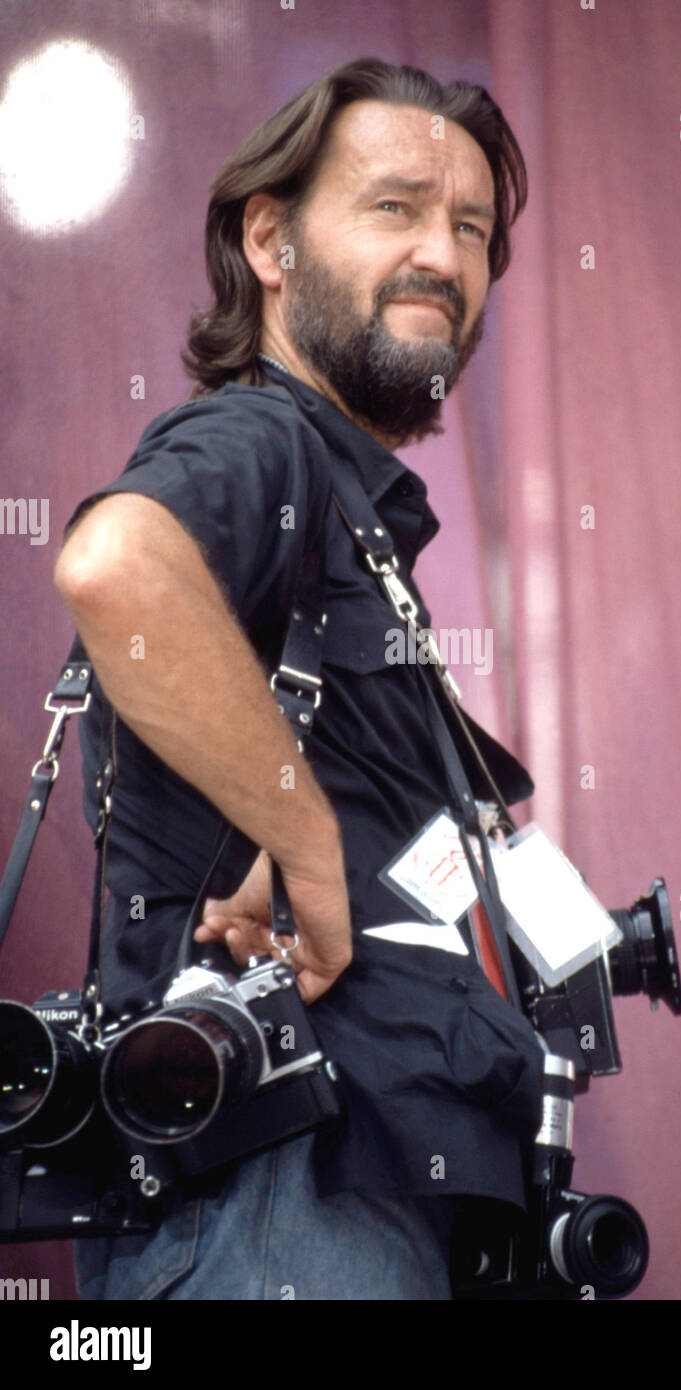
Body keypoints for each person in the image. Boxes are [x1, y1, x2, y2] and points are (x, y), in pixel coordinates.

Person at [54, 56, 546, 1301]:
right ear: (268, 241)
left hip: (358, 1199)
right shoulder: (261, 437)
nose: (444, 250)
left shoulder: (353, 515)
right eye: (396, 207)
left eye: (472, 226)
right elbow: (116, 566)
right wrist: (311, 846)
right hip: (280, 1208)